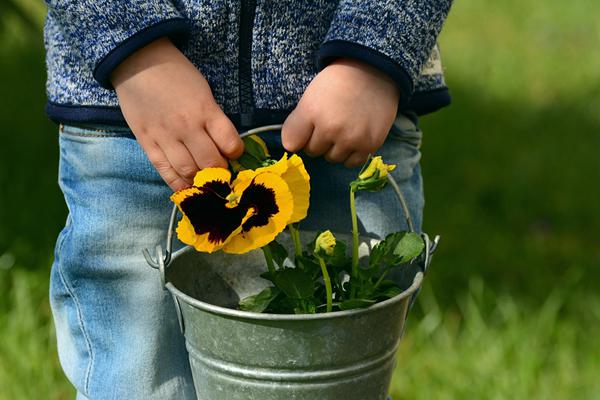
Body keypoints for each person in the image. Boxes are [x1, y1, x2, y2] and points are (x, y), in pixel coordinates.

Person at [44, 1, 452, 398]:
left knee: (336, 367)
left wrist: (375, 50)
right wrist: (133, 46)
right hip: (139, 110)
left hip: (351, 108)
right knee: (137, 373)